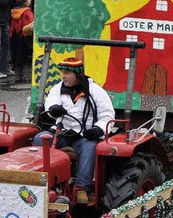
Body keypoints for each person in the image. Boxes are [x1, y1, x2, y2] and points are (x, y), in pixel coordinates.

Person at [38, 57, 115, 204]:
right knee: (39, 139)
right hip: (62, 133)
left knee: (90, 147)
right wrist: (54, 109)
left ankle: (81, 188)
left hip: (84, 136)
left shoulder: (95, 91)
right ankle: (42, 181)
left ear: (77, 74)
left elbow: (107, 115)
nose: (63, 76)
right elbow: (51, 104)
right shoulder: (58, 89)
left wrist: (97, 130)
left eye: (67, 73)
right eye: (62, 72)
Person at [10, 0, 34, 83]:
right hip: (26, 38)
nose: (30, 0)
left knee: (17, 57)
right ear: (23, 1)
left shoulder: (14, 12)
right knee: (27, 58)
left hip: (16, 38)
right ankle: (28, 77)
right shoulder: (27, 12)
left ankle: (17, 77)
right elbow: (31, 25)